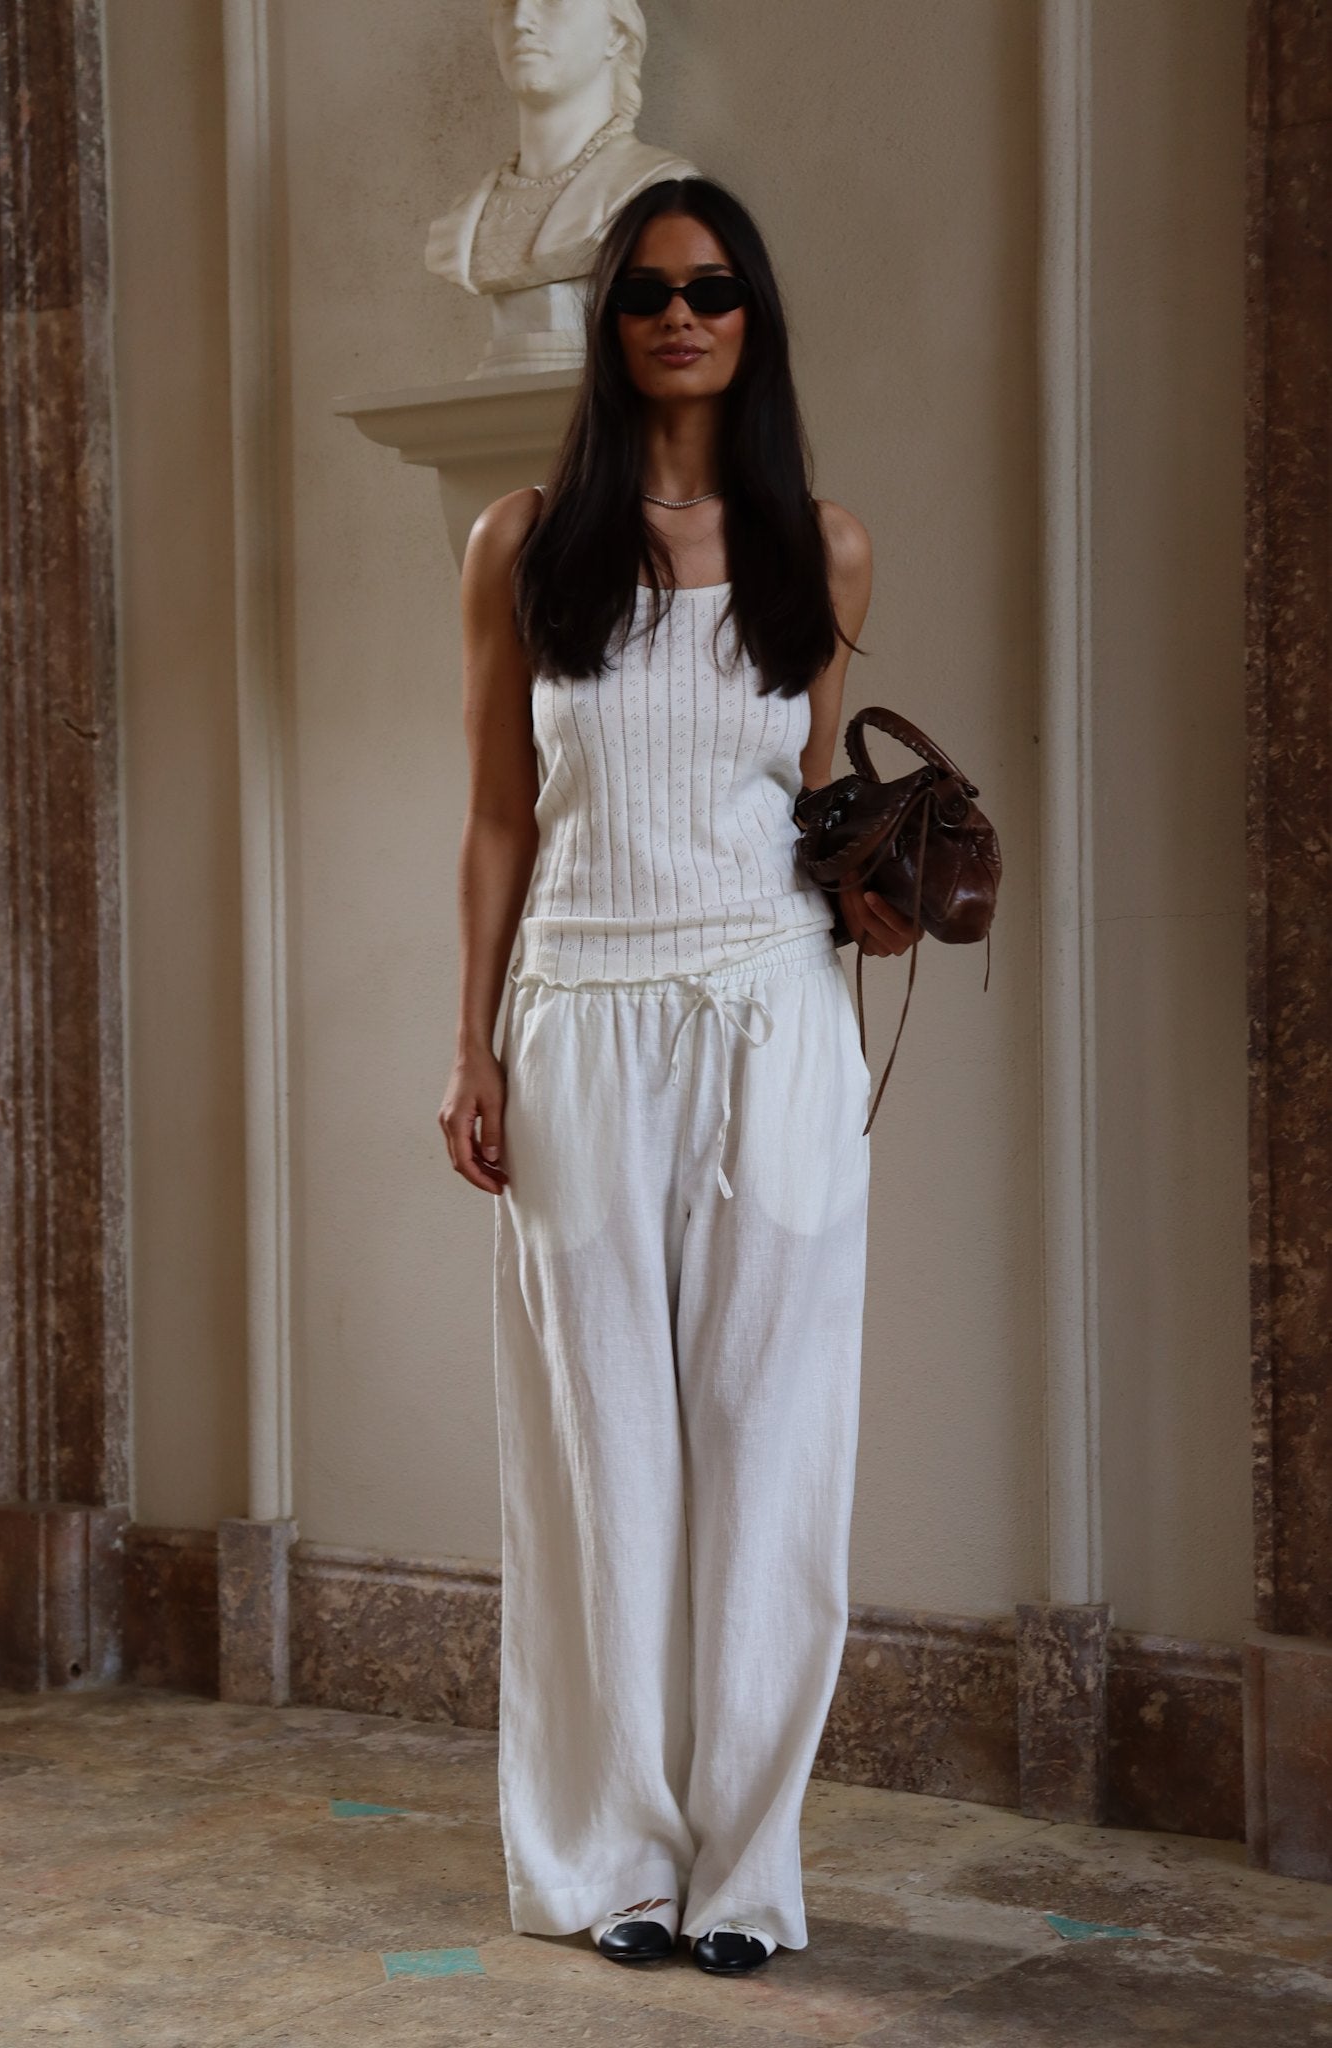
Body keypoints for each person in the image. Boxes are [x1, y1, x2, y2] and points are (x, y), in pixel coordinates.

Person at [439, 175, 916, 1977]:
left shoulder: (822, 548)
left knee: (771, 1447)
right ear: (610, 322)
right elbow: (498, 816)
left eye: (712, 290)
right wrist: (469, 1042)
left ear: (751, 318)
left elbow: (805, 798)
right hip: (577, 1016)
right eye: (648, 292)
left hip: (771, 1018)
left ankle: (746, 1872)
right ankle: (609, 1857)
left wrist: (874, 887)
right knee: (600, 1457)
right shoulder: (520, 542)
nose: (680, 317)